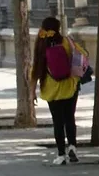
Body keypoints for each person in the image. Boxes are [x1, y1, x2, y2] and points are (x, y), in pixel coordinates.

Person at [31, 17, 87, 166]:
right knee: (70, 118)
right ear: (58, 28)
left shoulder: (41, 45)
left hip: (51, 89)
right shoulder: (67, 42)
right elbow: (82, 55)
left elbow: (35, 70)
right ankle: (73, 147)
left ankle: (61, 154)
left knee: (58, 122)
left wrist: (32, 92)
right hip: (69, 86)